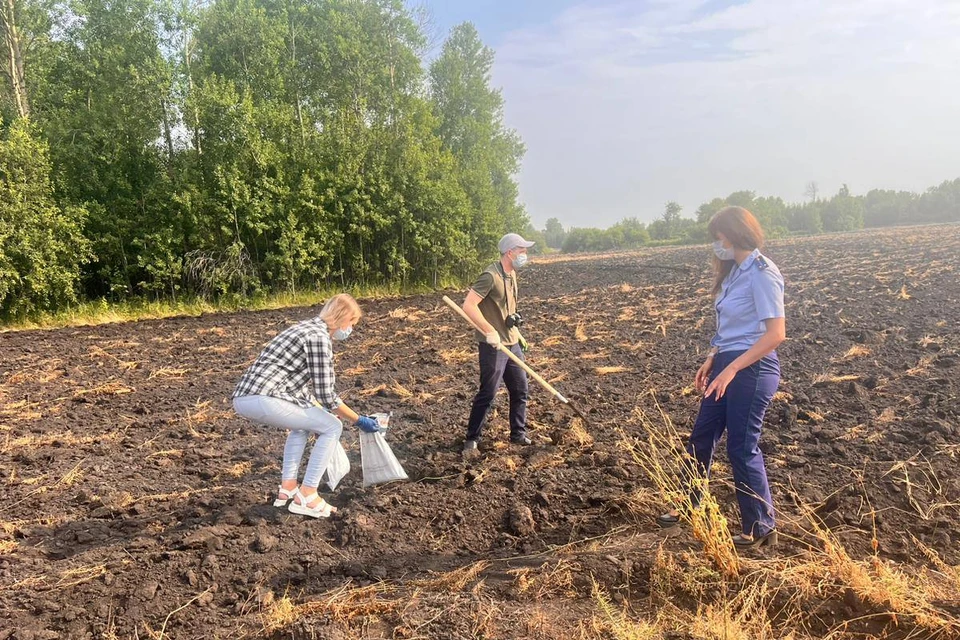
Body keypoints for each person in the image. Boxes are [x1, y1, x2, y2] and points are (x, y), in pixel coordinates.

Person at [658, 206, 786, 549]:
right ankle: (689, 506)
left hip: (753, 368)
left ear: (734, 234)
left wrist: (732, 367)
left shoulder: (762, 272)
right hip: (726, 363)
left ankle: (759, 527)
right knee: (701, 436)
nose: (718, 245)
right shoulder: (733, 273)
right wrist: (713, 357)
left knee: (742, 446)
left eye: (720, 238)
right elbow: (729, 328)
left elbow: (775, 334)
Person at [232, 293, 382, 519]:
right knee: (332, 427)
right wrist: (358, 420)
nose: (351, 329)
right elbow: (326, 395)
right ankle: (308, 495)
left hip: (246, 397)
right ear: (342, 318)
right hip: (264, 396)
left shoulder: (303, 328)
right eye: (352, 322)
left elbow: (297, 385)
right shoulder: (319, 338)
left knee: (301, 426)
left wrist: (320, 410)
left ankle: (288, 490)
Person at [461, 233, 535, 454]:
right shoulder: (490, 276)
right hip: (493, 345)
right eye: (522, 250)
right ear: (510, 252)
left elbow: (507, 309)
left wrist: (517, 332)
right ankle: (471, 439)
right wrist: (489, 330)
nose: (525, 255)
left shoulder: (511, 275)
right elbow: (469, 305)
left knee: (520, 388)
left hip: (511, 341)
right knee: (489, 392)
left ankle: (518, 434)